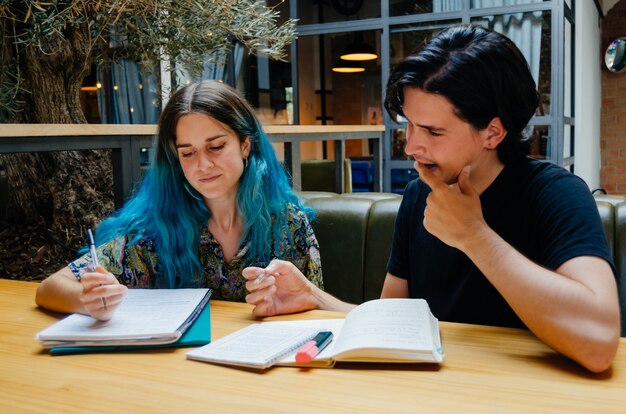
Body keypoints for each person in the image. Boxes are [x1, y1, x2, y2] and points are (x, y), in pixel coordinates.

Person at [243, 24, 621, 373]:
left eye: (432, 132)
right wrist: (312, 296)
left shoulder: (555, 193)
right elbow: (392, 322)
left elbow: (600, 344)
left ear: (493, 132)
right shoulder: (419, 196)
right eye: (409, 124)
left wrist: (474, 236)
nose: (411, 146)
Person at [36, 80, 323, 321]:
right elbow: (50, 287)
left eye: (216, 147)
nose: (203, 165)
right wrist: (87, 299)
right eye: (188, 153)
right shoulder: (155, 229)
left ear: (245, 145)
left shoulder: (288, 224)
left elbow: (317, 310)